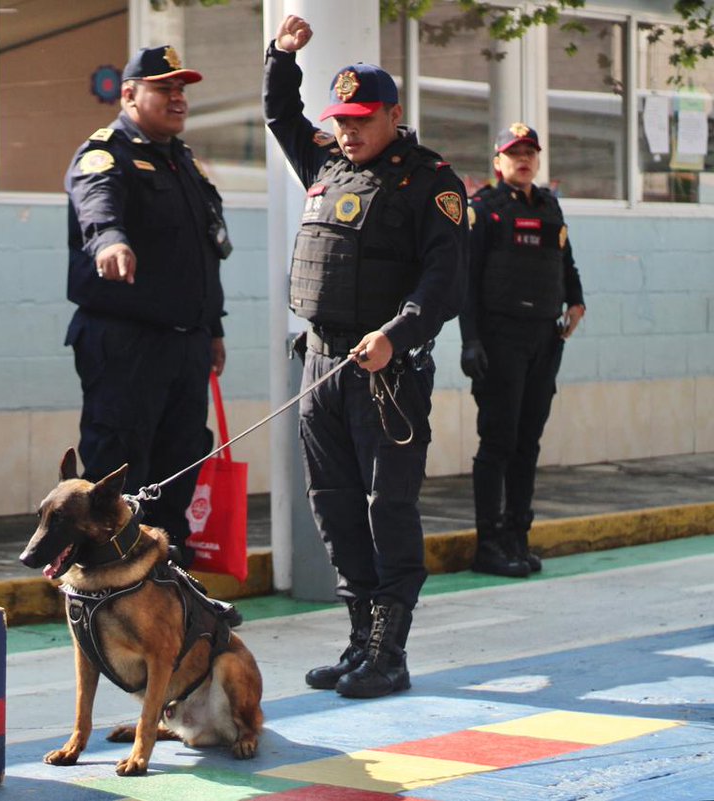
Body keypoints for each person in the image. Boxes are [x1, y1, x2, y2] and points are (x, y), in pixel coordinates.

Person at [265, 16, 466, 699]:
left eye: (361, 120)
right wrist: (281, 55)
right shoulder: (327, 164)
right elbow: (279, 115)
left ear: (393, 115)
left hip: (387, 372)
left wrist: (396, 336)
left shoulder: (431, 182)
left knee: (388, 508)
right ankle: (359, 638)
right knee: (335, 505)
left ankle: (390, 651)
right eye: (340, 121)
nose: (348, 132)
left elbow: (444, 282)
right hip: (322, 365)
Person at [64, 45, 232, 568]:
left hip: (186, 343)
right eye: (164, 89)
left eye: (181, 90)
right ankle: (104, 582)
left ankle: (165, 577)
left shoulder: (184, 162)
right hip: (126, 342)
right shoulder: (105, 154)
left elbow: (202, 253)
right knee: (117, 470)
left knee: (180, 465)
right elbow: (98, 207)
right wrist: (110, 241)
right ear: (130, 95)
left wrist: (213, 327)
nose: (177, 98)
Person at [461, 123, 585, 578]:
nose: (524, 159)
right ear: (498, 161)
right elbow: (466, 280)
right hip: (501, 339)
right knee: (499, 440)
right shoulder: (484, 210)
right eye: (515, 153)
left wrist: (576, 300)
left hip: (544, 339)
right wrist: (470, 340)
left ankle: (517, 535)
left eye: (530, 152)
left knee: (528, 442)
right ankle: (488, 543)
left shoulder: (550, 206)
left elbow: (565, 261)